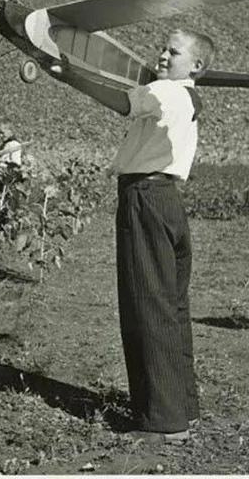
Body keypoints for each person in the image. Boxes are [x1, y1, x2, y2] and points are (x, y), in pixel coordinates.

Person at [95, 29, 215, 444]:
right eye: (163, 48)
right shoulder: (187, 97)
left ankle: (166, 422)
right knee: (171, 305)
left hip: (145, 198)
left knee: (147, 303)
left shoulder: (165, 92)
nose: (162, 55)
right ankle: (183, 407)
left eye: (173, 51)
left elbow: (124, 102)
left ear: (196, 65)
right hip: (166, 200)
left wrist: (63, 71)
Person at [0, 121, 23, 223]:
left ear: (10, 131)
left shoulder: (15, 145)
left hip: (9, 178)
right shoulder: (1, 146)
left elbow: (15, 163)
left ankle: (8, 231)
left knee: (9, 204)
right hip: (0, 177)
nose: (0, 135)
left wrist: (3, 162)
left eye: (2, 132)